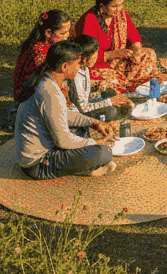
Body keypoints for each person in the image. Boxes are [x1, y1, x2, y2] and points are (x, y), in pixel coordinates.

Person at [14, 40, 116, 180]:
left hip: (42, 151)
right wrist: (95, 143)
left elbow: (61, 114)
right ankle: (83, 168)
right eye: (78, 63)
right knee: (104, 153)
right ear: (64, 66)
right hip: (38, 164)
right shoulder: (50, 92)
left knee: (81, 127)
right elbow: (63, 141)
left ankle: (80, 162)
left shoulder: (47, 81)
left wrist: (92, 122)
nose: (80, 66)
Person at [74, 0, 159, 93]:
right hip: (97, 64)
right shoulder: (89, 21)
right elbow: (87, 55)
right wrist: (115, 54)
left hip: (119, 59)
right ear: (102, 6)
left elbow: (132, 34)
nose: (119, 9)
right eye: (114, 6)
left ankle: (131, 83)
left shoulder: (120, 13)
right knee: (110, 80)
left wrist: (136, 48)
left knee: (149, 54)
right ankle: (128, 85)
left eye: (121, 4)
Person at [66, 34, 132, 122]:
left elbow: (85, 88)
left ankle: (119, 108)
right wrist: (109, 102)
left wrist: (98, 84)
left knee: (110, 92)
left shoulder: (84, 68)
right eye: (95, 55)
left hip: (87, 101)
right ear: (85, 59)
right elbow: (83, 108)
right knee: (111, 111)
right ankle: (118, 112)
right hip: (81, 111)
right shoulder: (75, 75)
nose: (96, 58)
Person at [13, 10, 73, 102]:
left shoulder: (50, 46)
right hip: (29, 98)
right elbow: (47, 81)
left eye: (68, 31)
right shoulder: (39, 52)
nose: (67, 35)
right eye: (62, 33)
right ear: (48, 33)